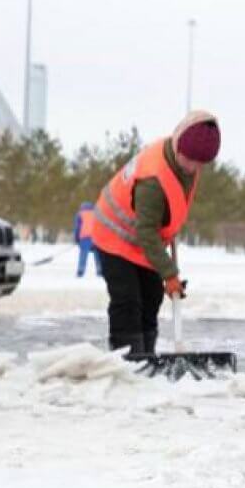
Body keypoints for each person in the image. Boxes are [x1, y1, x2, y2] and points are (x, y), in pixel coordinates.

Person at [90, 111, 221, 355]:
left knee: (151, 297)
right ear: (178, 143)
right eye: (189, 159)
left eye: (200, 163)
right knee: (128, 301)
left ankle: (146, 356)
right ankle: (127, 362)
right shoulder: (153, 178)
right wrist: (169, 273)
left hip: (142, 241)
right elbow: (146, 231)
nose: (192, 167)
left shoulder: (185, 165)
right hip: (114, 236)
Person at [72, 201, 100, 277]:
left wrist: (76, 239)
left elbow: (77, 227)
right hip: (96, 237)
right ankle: (99, 270)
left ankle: (81, 270)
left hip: (85, 238)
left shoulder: (80, 214)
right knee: (97, 255)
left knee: (83, 255)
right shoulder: (96, 213)